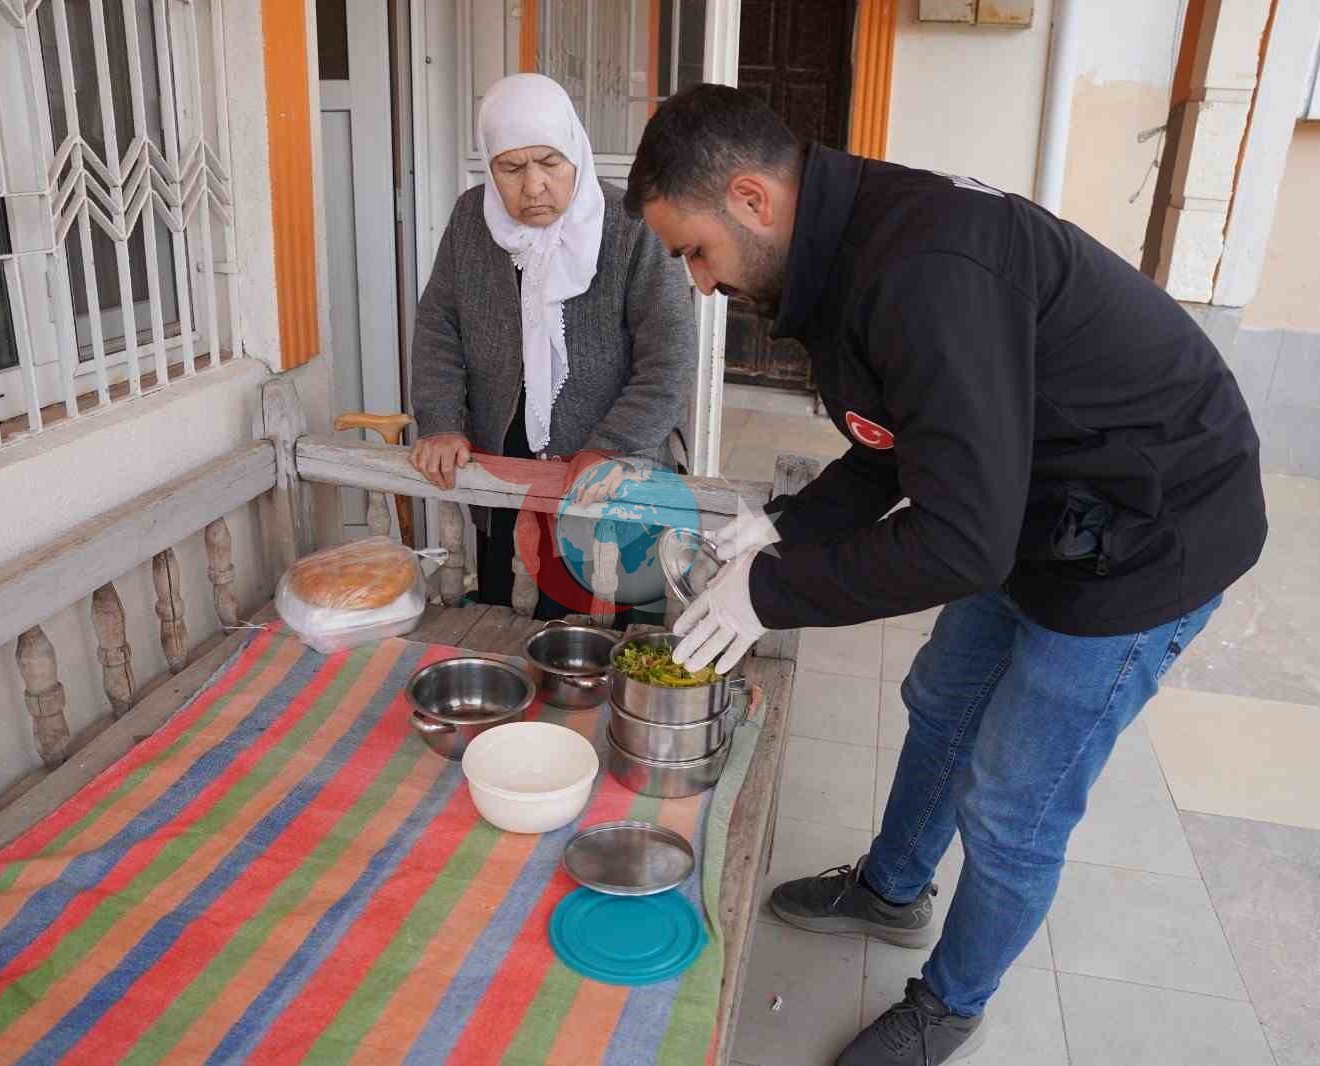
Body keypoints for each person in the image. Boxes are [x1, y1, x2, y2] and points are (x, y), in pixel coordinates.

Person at [626, 85, 1267, 1065]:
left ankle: (950, 1007)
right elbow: (891, 447)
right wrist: (776, 531)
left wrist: (771, 592)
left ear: (750, 197)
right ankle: (890, 888)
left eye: (693, 252)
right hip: (1030, 504)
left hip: (1151, 530)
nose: (699, 285)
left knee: (1014, 804)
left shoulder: (923, 267)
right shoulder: (844, 256)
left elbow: (959, 543)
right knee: (943, 697)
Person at [409, 74, 696, 619]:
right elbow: (439, 326)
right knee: (509, 619)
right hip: (507, 464)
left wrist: (611, 443)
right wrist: (442, 421)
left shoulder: (630, 226)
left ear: (576, 152)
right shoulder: (473, 220)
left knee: (611, 624)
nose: (533, 185)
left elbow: (671, 356)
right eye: (511, 168)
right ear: (490, 166)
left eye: (549, 162)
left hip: (611, 471)